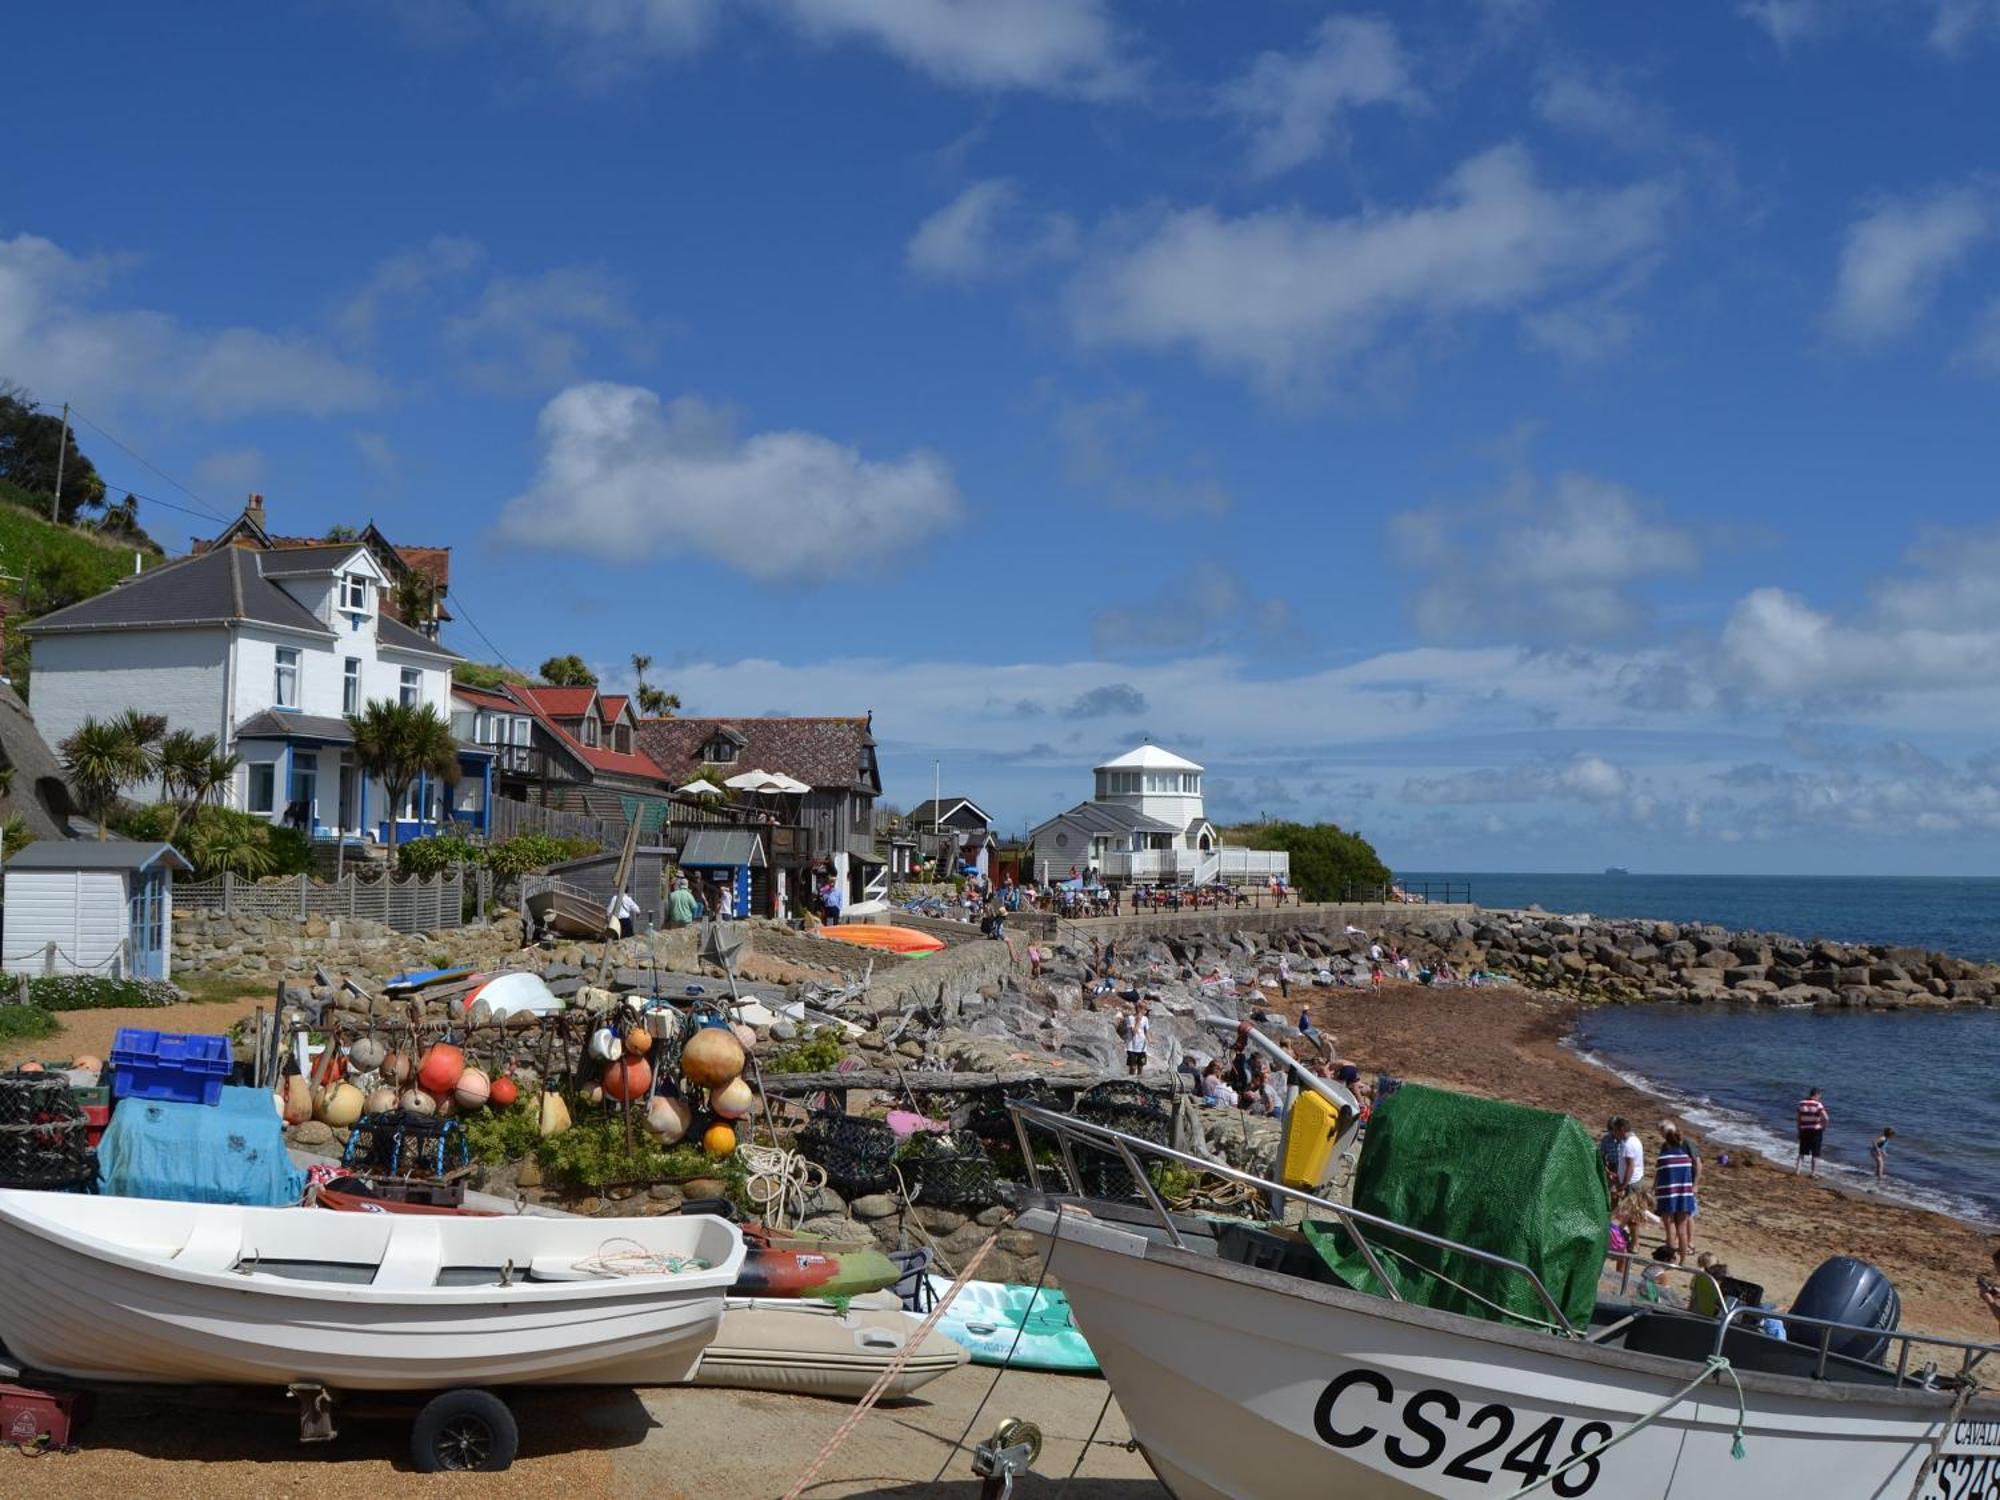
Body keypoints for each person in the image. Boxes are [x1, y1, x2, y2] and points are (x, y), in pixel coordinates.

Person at [1653, 1122, 1699, 1262]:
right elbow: (1688, 1176)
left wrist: (1656, 1196)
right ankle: (1683, 1260)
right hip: (1684, 1196)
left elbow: (1660, 1179)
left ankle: (1670, 1258)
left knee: (1670, 1230)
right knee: (1682, 1230)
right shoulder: (1686, 1159)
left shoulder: (1663, 1159)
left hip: (1668, 1196)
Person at [1795, 1087, 1830, 1176]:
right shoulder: (1818, 1105)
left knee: (1801, 1152)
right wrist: (1823, 1126)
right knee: (1815, 1153)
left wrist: (1799, 1129)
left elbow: (1798, 1119)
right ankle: (1813, 1173)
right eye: (1819, 1095)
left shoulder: (1801, 1103)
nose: (1820, 1097)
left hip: (1804, 1130)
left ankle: (1797, 1171)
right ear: (1816, 1095)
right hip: (1815, 1130)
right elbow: (1826, 1118)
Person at [1613, 1119, 1646, 1211]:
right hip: (1636, 1180)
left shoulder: (1628, 1144)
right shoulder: (1635, 1140)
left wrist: (1623, 1185)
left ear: (1622, 1129)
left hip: (1631, 1183)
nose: (1614, 1133)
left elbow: (1630, 1166)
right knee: (1634, 1209)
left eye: (1616, 1130)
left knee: (1629, 1211)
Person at [1118, 997, 1151, 1078]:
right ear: (1139, 1009)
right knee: (1133, 1067)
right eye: (1145, 1009)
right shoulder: (1130, 1018)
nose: (1146, 1012)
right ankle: (1131, 1080)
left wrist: (1150, 1039)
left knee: (1140, 1066)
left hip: (1142, 1047)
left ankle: (1140, 1081)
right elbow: (1134, 1031)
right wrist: (1138, 1020)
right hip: (1132, 1047)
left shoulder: (1145, 1019)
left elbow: (1146, 1030)